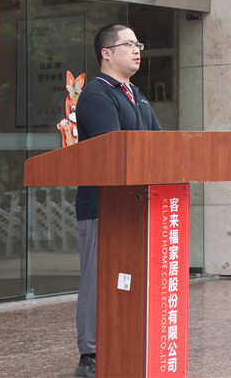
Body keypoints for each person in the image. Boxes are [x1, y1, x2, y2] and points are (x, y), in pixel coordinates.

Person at [73, 24, 162, 377]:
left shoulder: (135, 93)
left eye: (139, 44)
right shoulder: (97, 95)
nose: (137, 50)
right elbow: (115, 151)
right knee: (98, 280)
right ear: (106, 53)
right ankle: (91, 355)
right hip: (103, 205)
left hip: (136, 202)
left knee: (127, 278)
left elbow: (158, 143)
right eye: (129, 44)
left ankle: (123, 342)